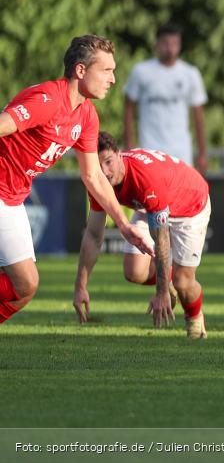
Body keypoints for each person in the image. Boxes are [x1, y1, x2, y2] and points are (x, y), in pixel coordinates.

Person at [0, 35, 154, 325]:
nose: (113, 79)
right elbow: (4, 124)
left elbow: (93, 175)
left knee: (24, 289)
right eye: (106, 70)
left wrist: (123, 225)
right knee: (24, 281)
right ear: (81, 71)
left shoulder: (86, 115)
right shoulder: (48, 100)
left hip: (13, 198)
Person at [72, 132, 211, 338]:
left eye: (109, 162)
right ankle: (168, 281)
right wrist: (80, 285)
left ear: (119, 155)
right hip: (151, 205)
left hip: (190, 205)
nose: (105, 171)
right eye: (99, 165)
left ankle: (194, 320)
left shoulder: (145, 179)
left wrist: (161, 292)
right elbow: (93, 234)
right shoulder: (98, 181)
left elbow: (161, 237)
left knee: (183, 282)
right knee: (134, 271)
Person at [124, 24, 208, 173]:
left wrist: (202, 153)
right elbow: (129, 108)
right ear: (157, 44)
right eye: (166, 43)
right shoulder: (141, 72)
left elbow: (198, 116)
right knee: (150, 193)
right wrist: (129, 144)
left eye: (175, 44)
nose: (170, 48)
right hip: (149, 149)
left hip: (180, 149)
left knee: (180, 193)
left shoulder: (190, 73)